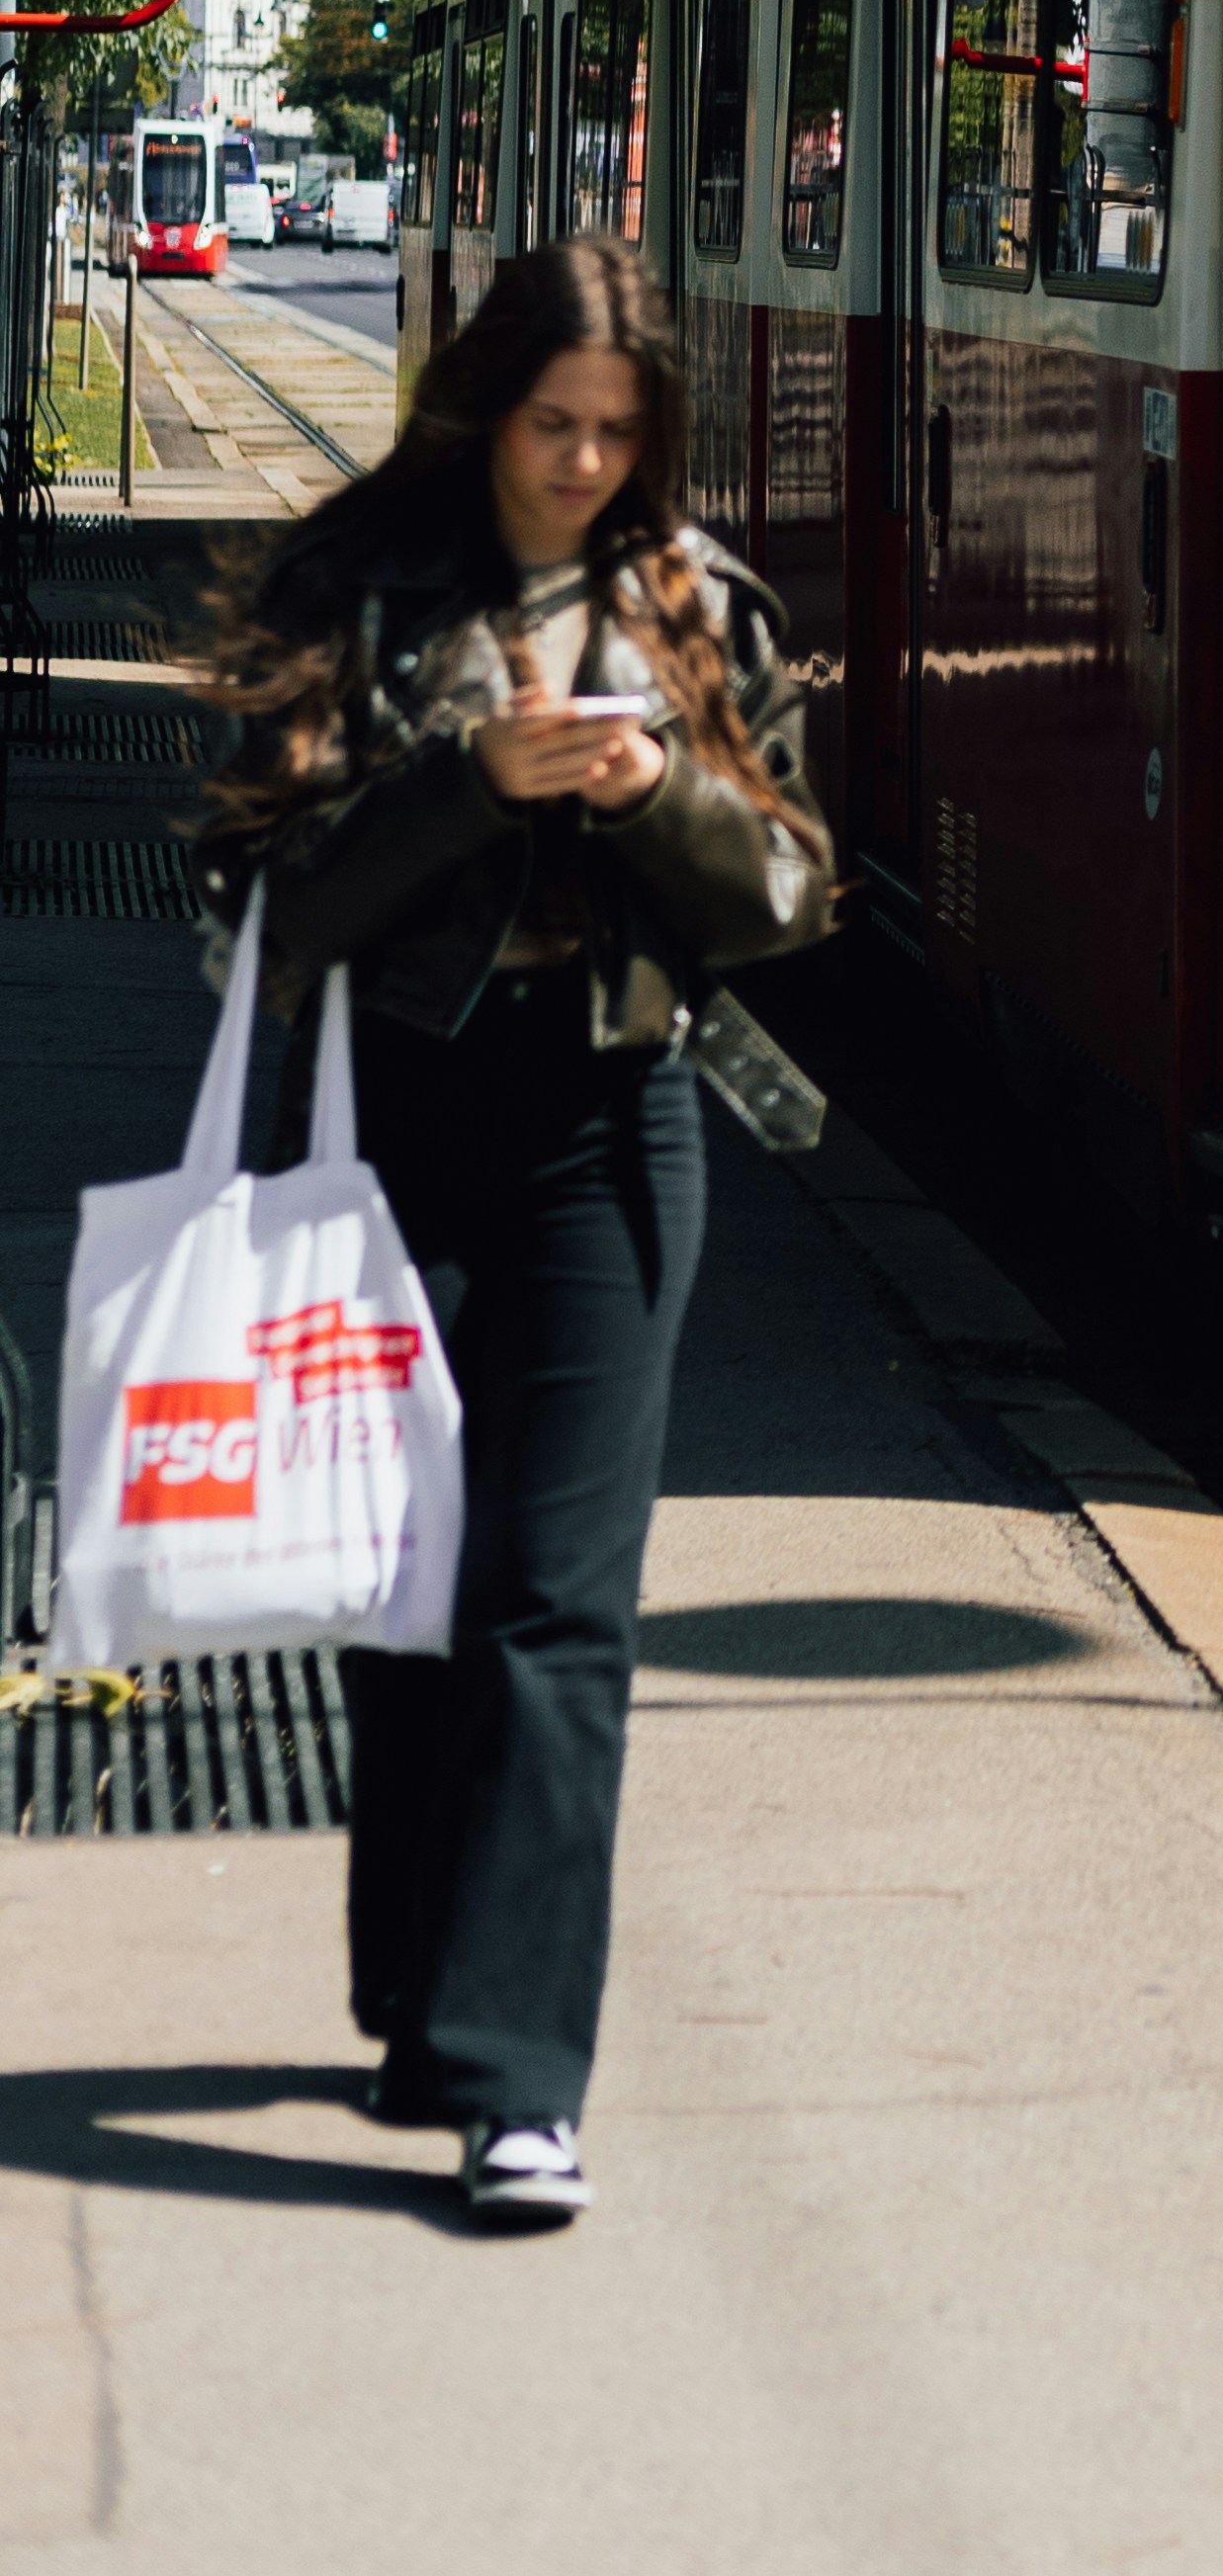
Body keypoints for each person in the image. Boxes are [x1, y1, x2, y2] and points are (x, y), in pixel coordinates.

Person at [191, 235, 830, 2231]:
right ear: (482, 408)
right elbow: (267, 911)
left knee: (560, 1605)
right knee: (399, 1597)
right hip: (379, 1125)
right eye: (551, 425)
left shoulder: (695, 604)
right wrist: (475, 779)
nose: (578, 465)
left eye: (616, 433)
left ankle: (516, 2077)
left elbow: (797, 893)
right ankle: (418, 1991)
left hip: (610, 1124)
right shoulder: (354, 590)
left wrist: (649, 794)